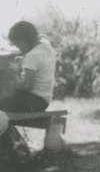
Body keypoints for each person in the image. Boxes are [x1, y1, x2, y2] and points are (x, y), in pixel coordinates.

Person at [0, 21, 57, 157]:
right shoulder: (45, 46)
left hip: (32, 100)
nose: (18, 48)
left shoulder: (32, 56)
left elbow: (26, 86)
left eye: (18, 44)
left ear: (25, 39)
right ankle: (14, 146)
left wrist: (13, 73)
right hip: (43, 100)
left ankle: (11, 148)